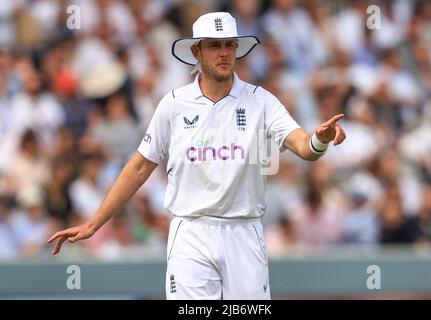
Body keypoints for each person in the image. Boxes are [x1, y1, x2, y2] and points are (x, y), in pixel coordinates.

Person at [48, 12, 346, 300]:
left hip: (244, 231)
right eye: (215, 45)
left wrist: (320, 139)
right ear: (197, 51)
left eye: (230, 44)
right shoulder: (174, 104)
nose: (224, 52)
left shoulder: (262, 101)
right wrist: (94, 223)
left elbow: (302, 146)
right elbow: (140, 166)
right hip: (191, 232)